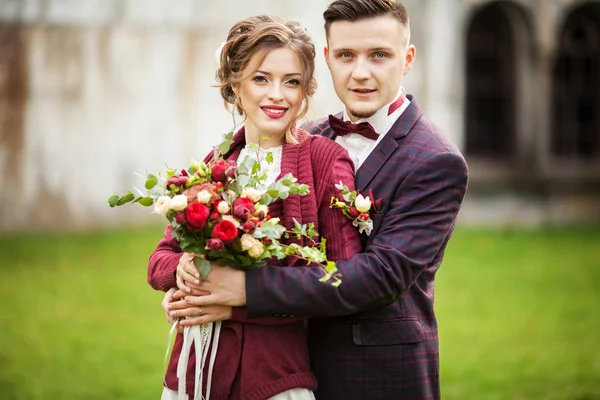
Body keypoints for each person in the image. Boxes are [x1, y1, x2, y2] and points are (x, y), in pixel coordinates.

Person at [169, 1, 469, 399]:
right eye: (346, 55)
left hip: (375, 375)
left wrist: (243, 292)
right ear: (326, 59)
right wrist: (195, 290)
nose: (360, 72)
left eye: (379, 55)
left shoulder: (435, 160)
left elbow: (380, 276)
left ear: (408, 58)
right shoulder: (302, 138)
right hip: (285, 363)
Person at [147, 14, 362, 400]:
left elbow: (341, 281)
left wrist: (234, 304)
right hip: (193, 371)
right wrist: (180, 272)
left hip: (273, 376)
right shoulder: (215, 164)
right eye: (261, 78)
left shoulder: (323, 161)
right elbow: (159, 259)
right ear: (235, 84)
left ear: (305, 90)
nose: (277, 95)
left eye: (291, 82)